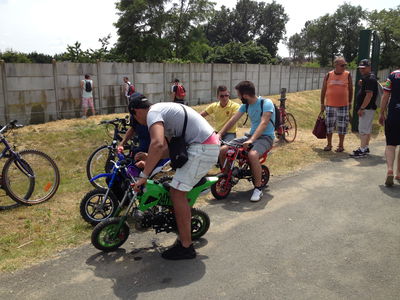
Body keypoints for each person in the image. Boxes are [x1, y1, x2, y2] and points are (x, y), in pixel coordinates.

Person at [130, 94, 219, 260]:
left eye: (135, 119)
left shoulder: (152, 113)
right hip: (203, 146)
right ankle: (181, 231)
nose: (139, 124)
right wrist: (149, 157)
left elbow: (157, 143)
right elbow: (167, 149)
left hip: (203, 148)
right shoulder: (161, 111)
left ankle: (186, 247)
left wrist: (143, 176)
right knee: (174, 189)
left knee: (177, 193)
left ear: (136, 112)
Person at [218, 81, 275, 202]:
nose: (238, 97)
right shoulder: (246, 105)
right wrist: (219, 134)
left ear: (245, 95)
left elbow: (264, 123)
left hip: (266, 137)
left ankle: (258, 189)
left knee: (252, 155)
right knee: (223, 150)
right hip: (250, 136)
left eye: (238, 94)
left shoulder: (266, 103)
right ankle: (228, 177)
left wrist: (252, 140)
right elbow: (233, 120)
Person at [320, 57, 353, 152]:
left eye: (345, 65)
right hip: (330, 105)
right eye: (342, 65)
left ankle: (341, 145)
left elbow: (351, 90)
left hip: (343, 105)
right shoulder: (329, 75)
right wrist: (322, 103)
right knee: (329, 125)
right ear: (336, 65)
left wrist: (350, 102)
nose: (344, 67)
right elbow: (323, 89)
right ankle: (329, 144)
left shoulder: (347, 75)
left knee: (342, 126)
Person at [350, 59, 378, 158]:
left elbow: (369, 95)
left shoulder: (369, 79)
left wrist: (362, 108)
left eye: (364, 68)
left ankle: (362, 150)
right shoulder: (369, 77)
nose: (361, 70)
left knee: (363, 130)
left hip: (366, 108)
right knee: (367, 129)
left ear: (369, 67)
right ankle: (365, 147)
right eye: (360, 68)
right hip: (369, 108)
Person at [379, 69, 400, 186]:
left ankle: (390, 170)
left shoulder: (393, 75)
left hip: (394, 114)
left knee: (391, 145)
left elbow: (385, 95)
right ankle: (399, 173)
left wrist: (381, 113)